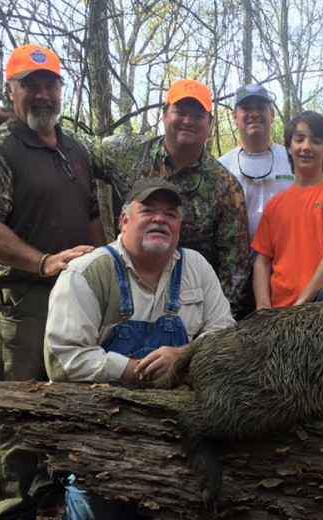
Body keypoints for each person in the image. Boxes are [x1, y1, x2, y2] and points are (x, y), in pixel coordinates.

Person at [0, 80, 251, 319]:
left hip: (189, 303)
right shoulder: (126, 153)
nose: (188, 120)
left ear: (209, 123)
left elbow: (234, 270)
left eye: (198, 114)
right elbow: (64, 139)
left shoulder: (225, 187)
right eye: (180, 111)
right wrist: (7, 116)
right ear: (165, 114)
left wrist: (215, 327)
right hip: (127, 297)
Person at [0, 44, 104, 519]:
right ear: (12, 89)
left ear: (61, 89)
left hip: (73, 296)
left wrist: (104, 268)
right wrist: (42, 262)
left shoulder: (73, 149)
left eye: (49, 84)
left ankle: (49, 493)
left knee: (60, 395)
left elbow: (91, 213)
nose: (42, 94)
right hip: (17, 300)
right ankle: (9, 506)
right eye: (30, 85)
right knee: (11, 404)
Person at [44, 177, 234, 518]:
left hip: (180, 429)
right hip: (101, 429)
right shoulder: (85, 273)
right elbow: (63, 360)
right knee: (98, 505)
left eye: (170, 214)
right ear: (124, 220)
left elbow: (224, 333)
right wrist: (133, 371)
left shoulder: (197, 268)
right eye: (148, 211)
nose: (160, 219)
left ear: (180, 225)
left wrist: (184, 358)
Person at [252, 111, 323, 309]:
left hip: (322, 304)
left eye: (316, 141)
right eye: (299, 139)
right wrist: (263, 308)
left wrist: (301, 303)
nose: (306, 147)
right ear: (289, 147)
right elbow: (262, 262)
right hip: (280, 310)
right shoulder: (275, 205)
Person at [218, 84, 294, 245]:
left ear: (272, 115)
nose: (254, 114)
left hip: (286, 261)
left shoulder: (293, 159)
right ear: (234, 117)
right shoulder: (221, 167)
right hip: (237, 264)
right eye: (246, 108)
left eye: (261, 108)